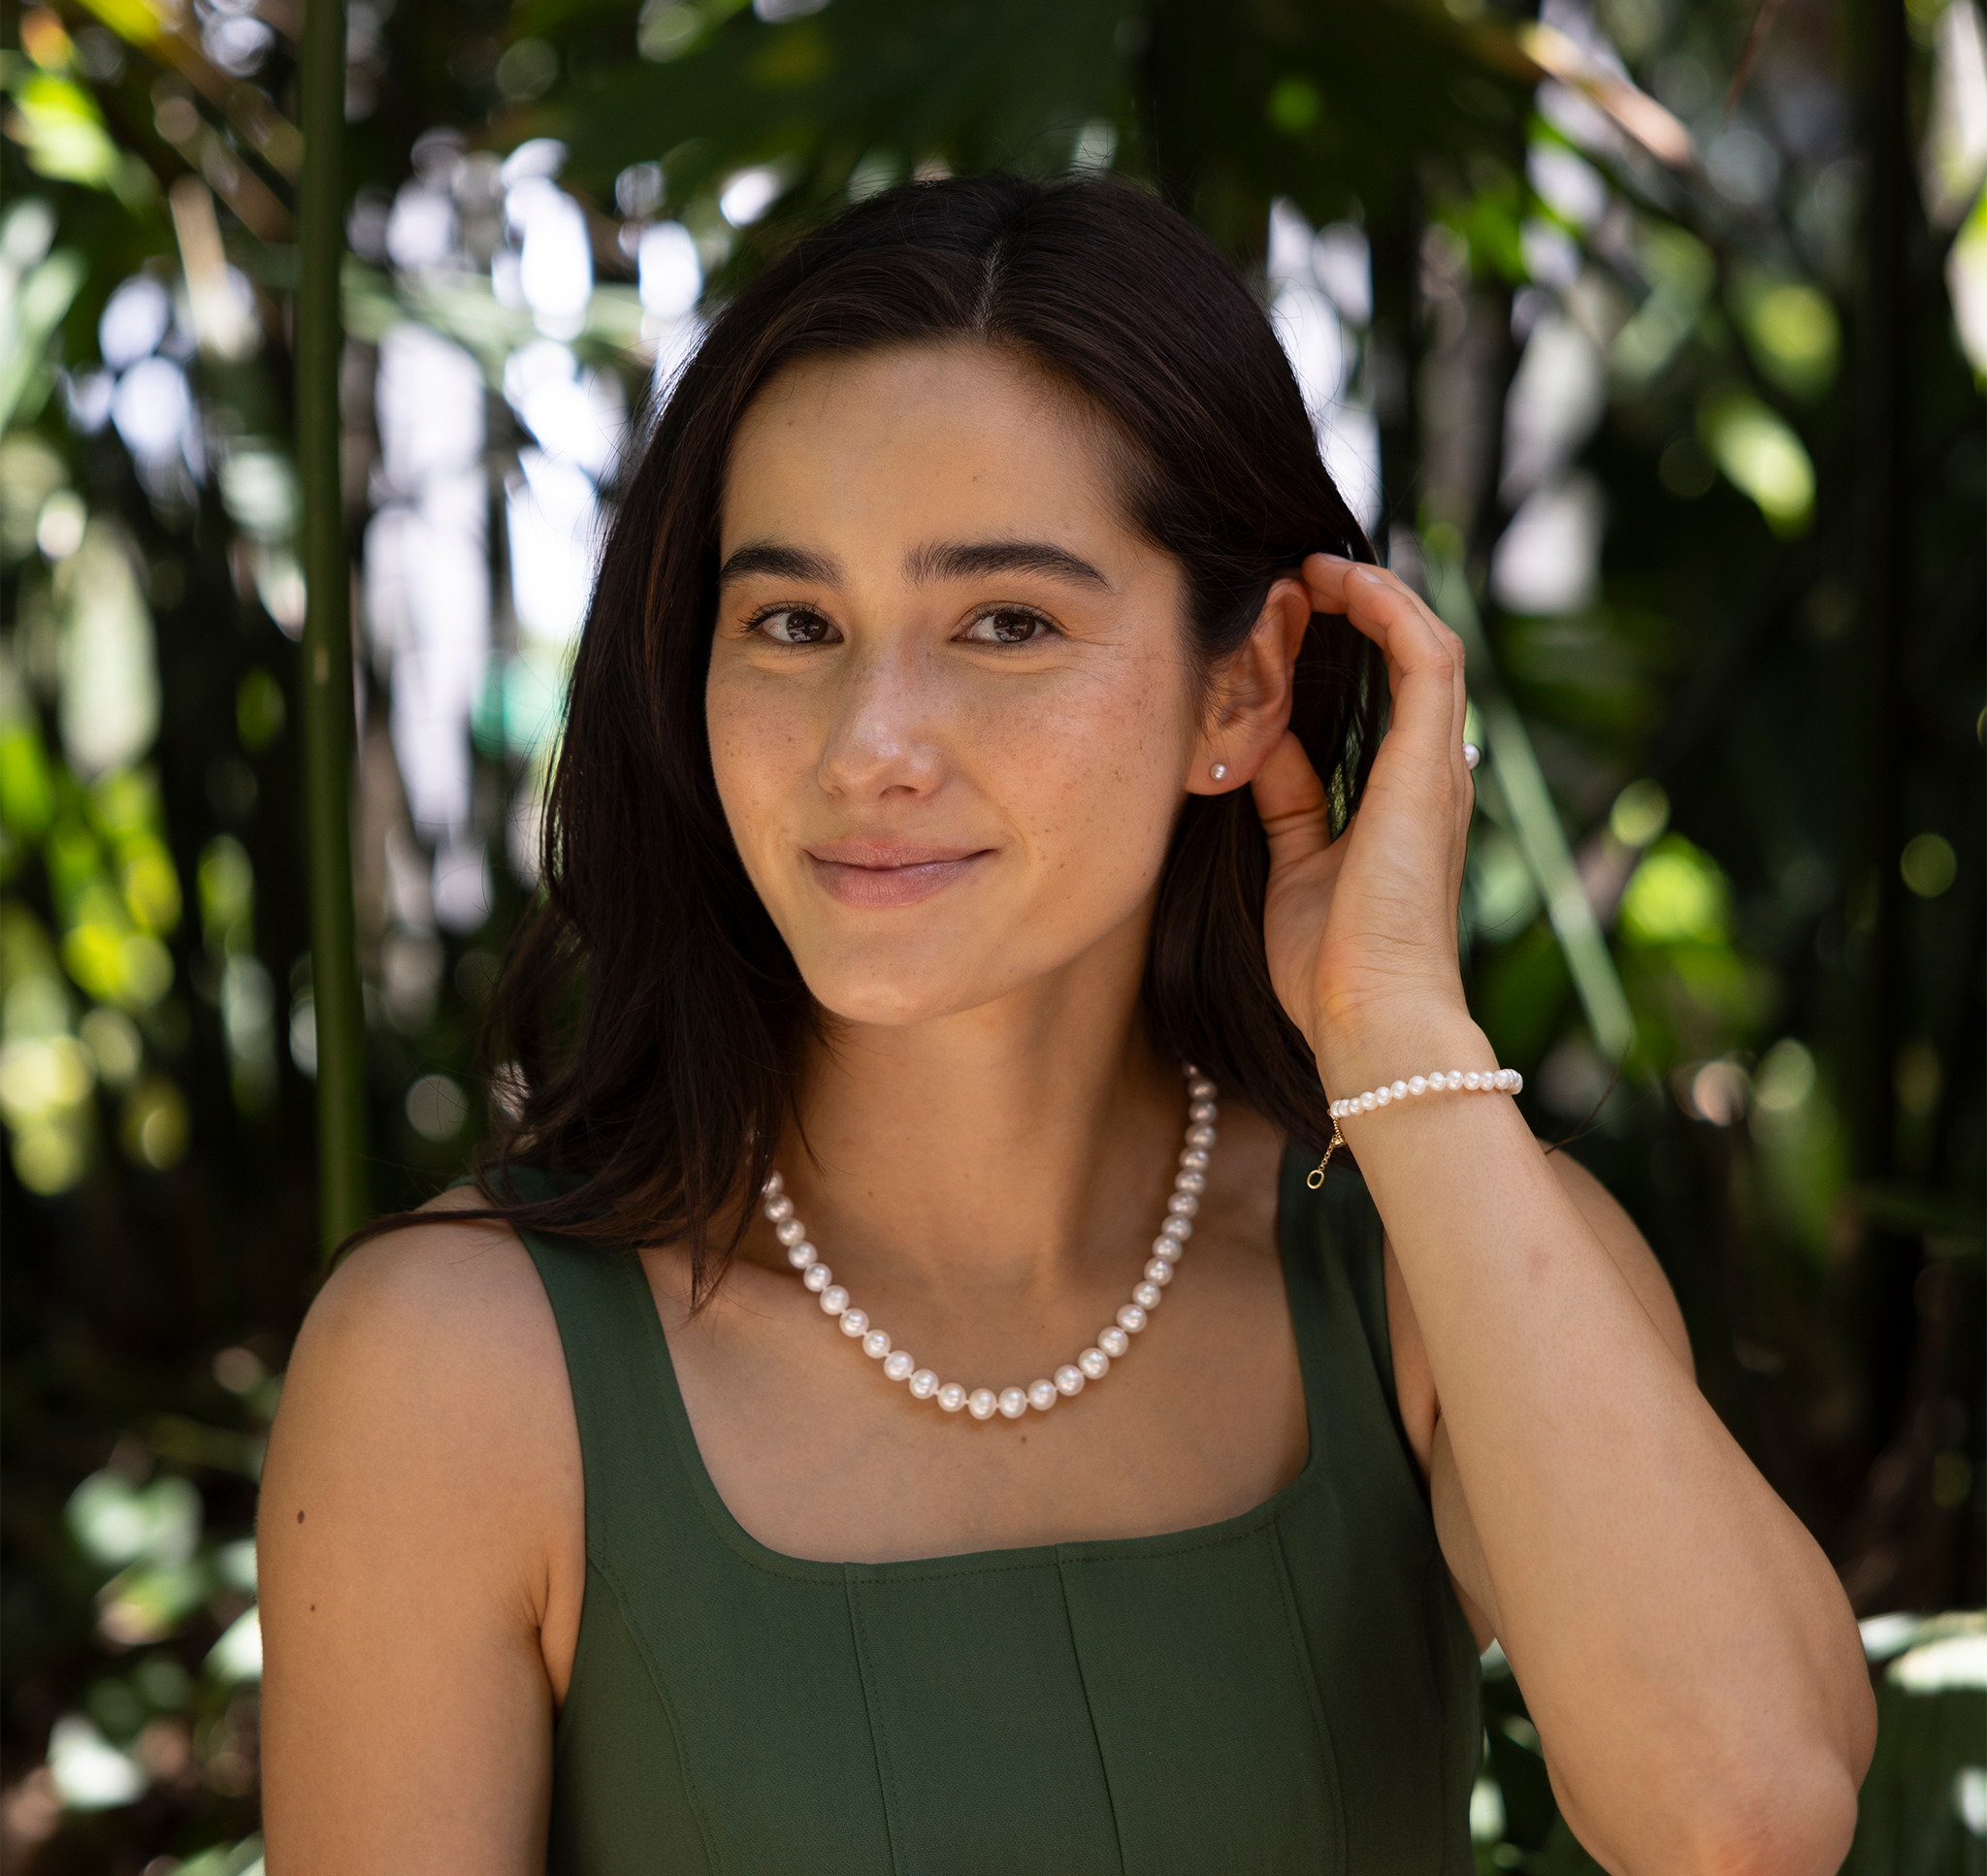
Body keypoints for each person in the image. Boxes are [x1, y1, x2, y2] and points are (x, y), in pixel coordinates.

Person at [259, 175, 1873, 1873]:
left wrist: (1392, 1027)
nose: (868, 742)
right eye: (792, 622)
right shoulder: (460, 1371)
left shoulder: (1422, 1270)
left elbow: (1743, 1817)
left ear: (1239, 690)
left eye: (1007, 622)